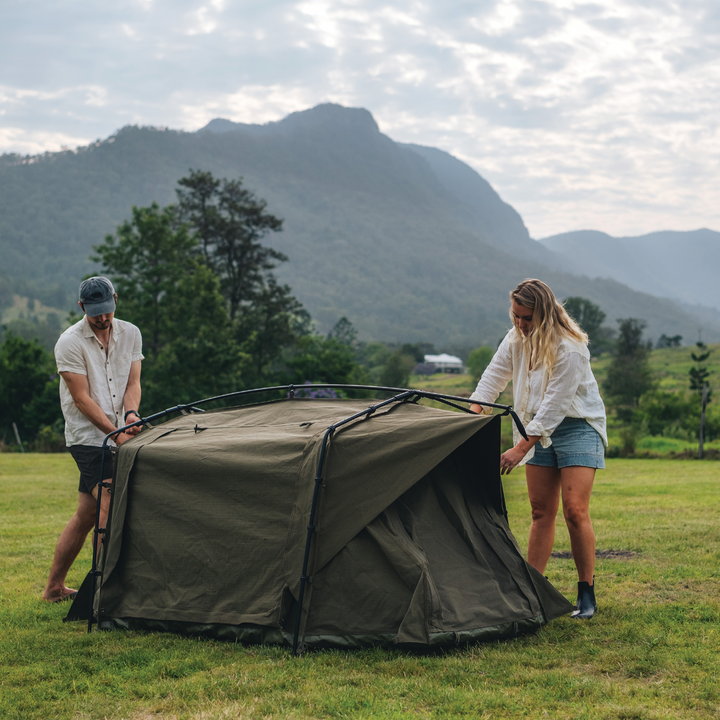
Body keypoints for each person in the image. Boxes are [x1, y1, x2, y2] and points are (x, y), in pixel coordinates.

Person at [470, 279, 606, 619]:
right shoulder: (515, 339)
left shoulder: (570, 347)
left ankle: (586, 593)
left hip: (577, 426)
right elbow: (491, 380)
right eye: (516, 316)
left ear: (544, 313)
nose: (520, 323)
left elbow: (555, 406)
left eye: (527, 318)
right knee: (540, 511)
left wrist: (519, 448)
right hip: (535, 426)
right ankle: (533, 593)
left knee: (574, 509)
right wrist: (468, 419)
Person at [42, 277, 144, 603]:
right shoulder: (69, 342)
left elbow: (133, 383)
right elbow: (82, 400)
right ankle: (105, 596)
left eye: (107, 309)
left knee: (87, 513)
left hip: (118, 431)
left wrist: (131, 415)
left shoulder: (131, 333)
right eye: (95, 311)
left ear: (115, 299)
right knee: (110, 508)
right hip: (87, 437)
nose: (102, 317)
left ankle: (54, 588)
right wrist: (115, 432)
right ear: (81, 307)